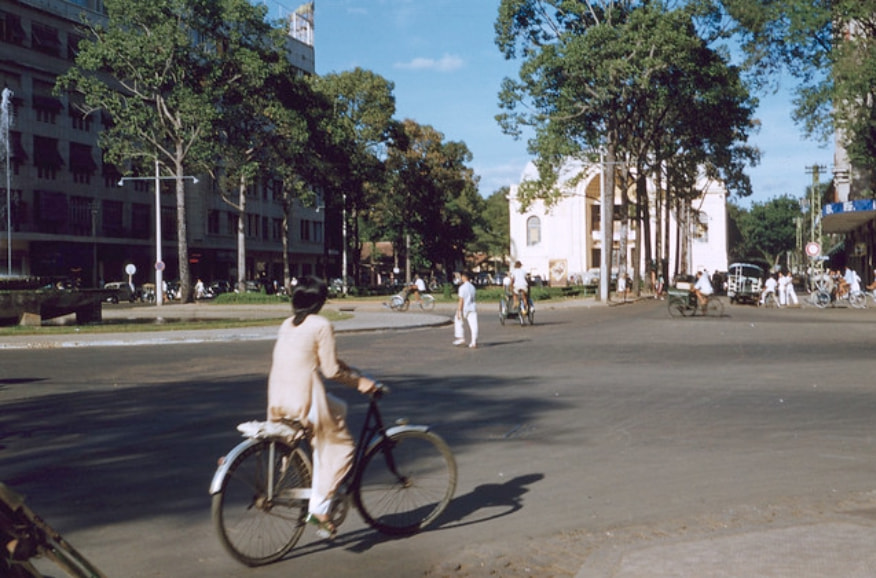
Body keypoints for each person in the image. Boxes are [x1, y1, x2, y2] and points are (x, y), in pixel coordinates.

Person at [266, 276, 377, 539]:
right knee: (344, 447)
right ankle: (320, 508)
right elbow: (329, 371)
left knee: (338, 409)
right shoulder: (322, 324)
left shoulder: (287, 324)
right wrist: (360, 382)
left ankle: (320, 473)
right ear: (320, 302)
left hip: (278, 398)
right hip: (303, 399)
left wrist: (343, 364)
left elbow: (311, 353)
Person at [453, 271, 479, 349]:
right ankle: (473, 342)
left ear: (463, 277)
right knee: (474, 325)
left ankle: (461, 338)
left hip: (465, 308)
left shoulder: (462, 288)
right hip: (472, 308)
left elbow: (461, 300)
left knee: (458, 321)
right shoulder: (473, 287)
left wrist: (458, 311)